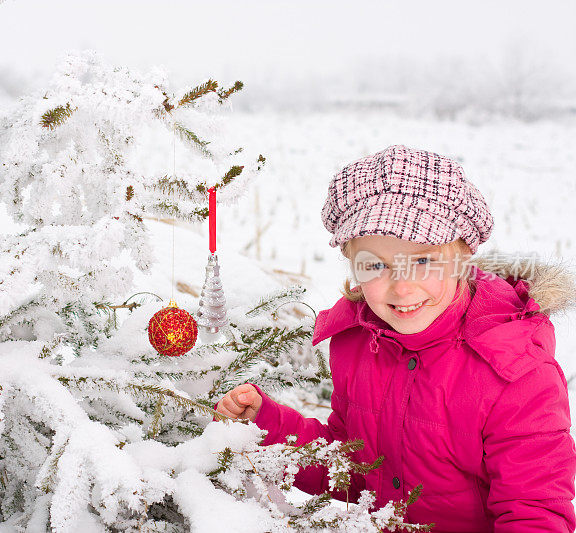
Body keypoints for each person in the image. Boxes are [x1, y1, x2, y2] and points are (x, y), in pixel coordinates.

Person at [216, 145, 576, 532]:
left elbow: (535, 512)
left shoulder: (513, 370)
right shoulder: (357, 344)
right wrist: (266, 424)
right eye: (376, 265)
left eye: (422, 261)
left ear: (460, 259)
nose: (402, 288)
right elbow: (353, 468)